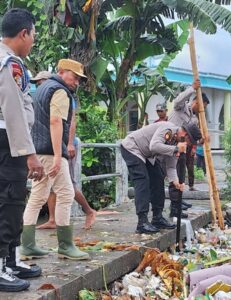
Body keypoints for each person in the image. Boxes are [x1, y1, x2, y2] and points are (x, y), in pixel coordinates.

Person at [21, 59, 89, 261]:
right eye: (74, 76)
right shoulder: (60, 91)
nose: (76, 82)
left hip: (39, 150)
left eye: (79, 79)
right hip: (51, 152)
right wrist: (59, 155)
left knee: (41, 196)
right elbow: (55, 121)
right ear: (62, 71)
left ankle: (29, 245)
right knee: (60, 194)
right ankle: (65, 246)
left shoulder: (42, 88)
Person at [0, 8, 45, 292]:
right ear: (23, 33)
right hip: (8, 140)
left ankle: (11, 260)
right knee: (9, 202)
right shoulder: (9, 63)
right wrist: (29, 154)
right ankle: (2, 266)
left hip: (7, 139)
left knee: (13, 203)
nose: (32, 43)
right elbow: (13, 109)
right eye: (32, 36)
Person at [121, 121, 201, 234]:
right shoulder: (167, 128)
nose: (187, 145)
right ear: (185, 135)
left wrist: (176, 182)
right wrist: (175, 149)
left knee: (158, 178)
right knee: (142, 180)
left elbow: (171, 167)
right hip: (132, 147)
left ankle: (157, 218)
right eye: (189, 142)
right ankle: (142, 222)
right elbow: (154, 146)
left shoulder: (176, 143)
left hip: (146, 155)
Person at [37, 96, 97, 230]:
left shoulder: (64, 96)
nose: (41, 85)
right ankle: (52, 220)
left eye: (42, 82)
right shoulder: (44, 99)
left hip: (64, 146)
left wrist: (69, 143)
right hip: (50, 147)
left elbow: (71, 121)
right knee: (52, 183)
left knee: (67, 184)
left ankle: (89, 211)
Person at [168, 80, 210, 216]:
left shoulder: (194, 119)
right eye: (203, 106)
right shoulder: (181, 107)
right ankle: (174, 208)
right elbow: (178, 100)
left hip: (183, 148)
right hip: (171, 145)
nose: (203, 110)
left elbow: (194, 136)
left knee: (181, 175)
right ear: (197, 102)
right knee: (173, 176)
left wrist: (203, 139)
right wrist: (192, 88)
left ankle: (179, 201)